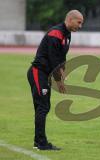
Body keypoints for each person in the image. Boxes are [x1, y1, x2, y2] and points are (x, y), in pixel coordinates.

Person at [27, 10, 84, 150]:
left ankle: (38, 141)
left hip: (45, 74)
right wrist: (59, 81)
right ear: (70, 19)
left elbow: (61, 57)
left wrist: (63, 72)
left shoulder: (67, 34)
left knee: (42, 107)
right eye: (79, 22)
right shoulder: (55, 33)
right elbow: (53, 59)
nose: (81, 26)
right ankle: (41, 143)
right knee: (43, 107)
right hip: (38, 72)